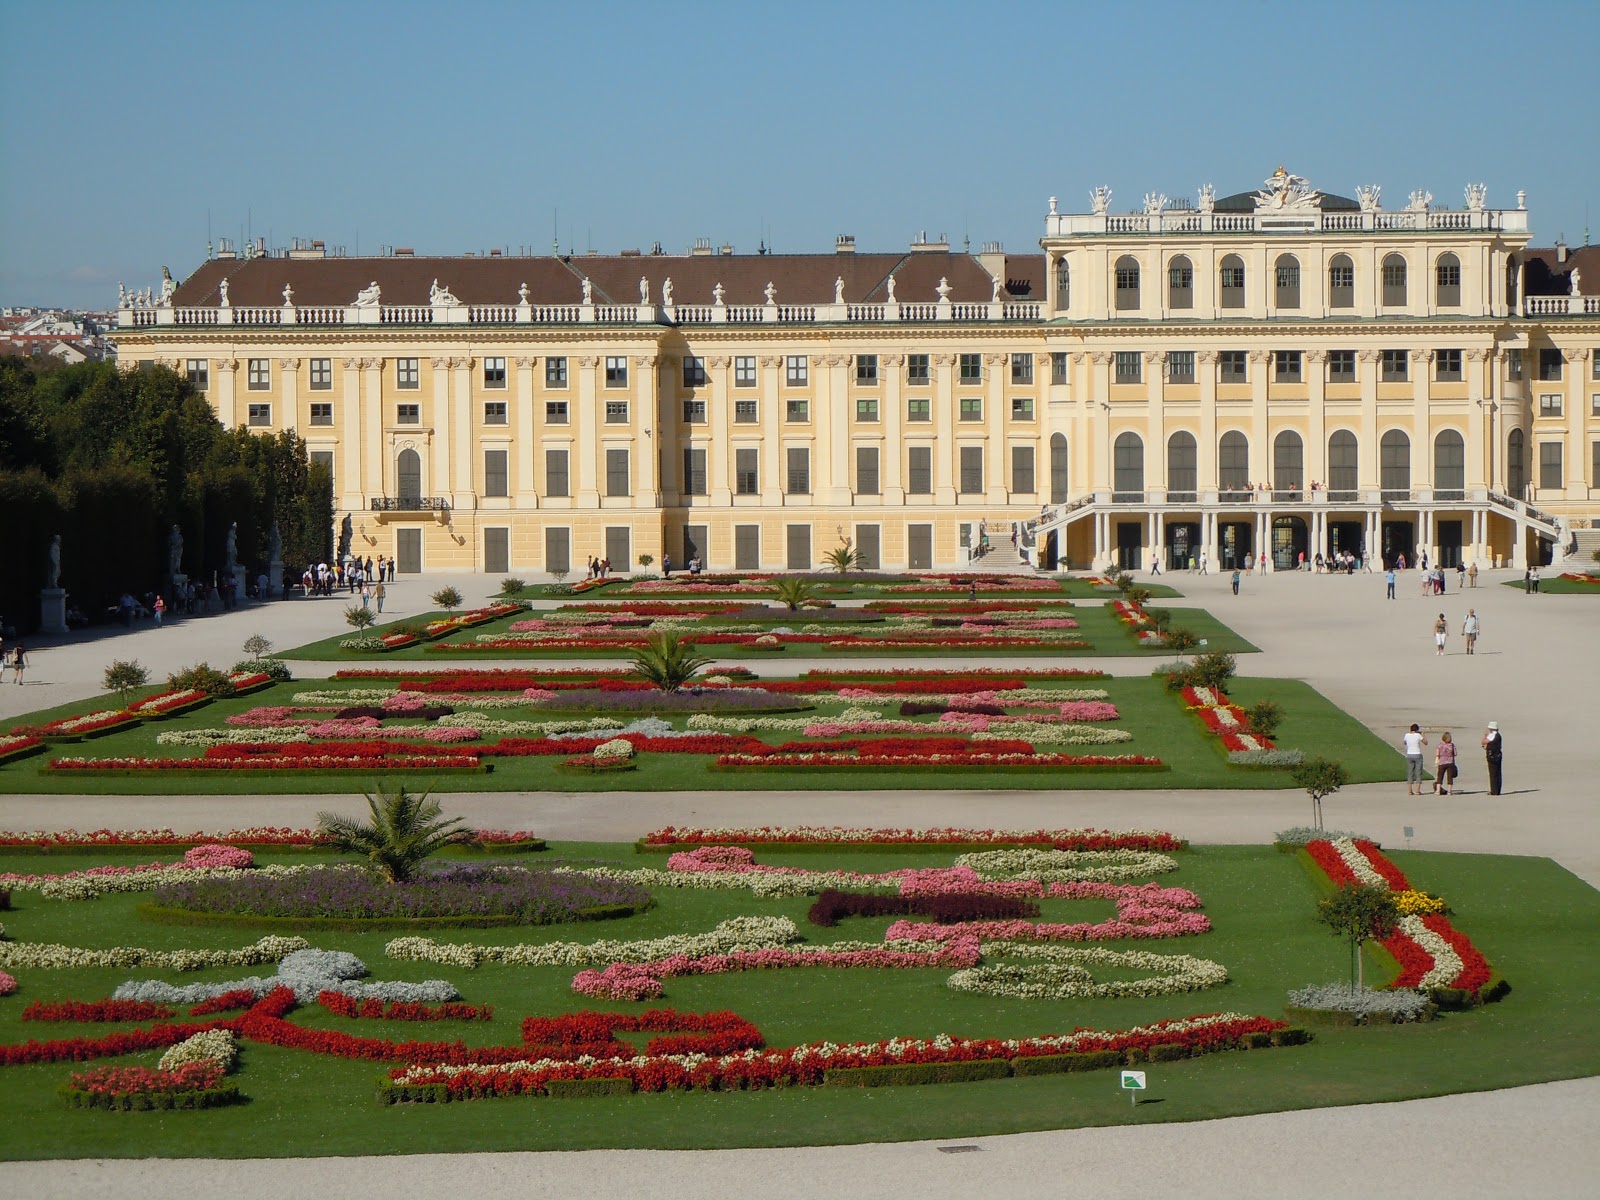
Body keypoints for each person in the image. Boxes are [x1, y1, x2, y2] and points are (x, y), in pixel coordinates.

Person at [1402, 723, 1429, 795]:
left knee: (1410, 772)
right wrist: (1423, 735)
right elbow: (1426, 742)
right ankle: (1417, 790)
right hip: (1417, 754)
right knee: (1418, 772)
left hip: (1409, 754)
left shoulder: (1406, 735)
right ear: (1417, 730)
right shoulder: (1418, 735)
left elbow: (1404, 743)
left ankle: (1410, 790)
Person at [1482, 722, 1504, 795]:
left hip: (1492, 756)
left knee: (1492, 774)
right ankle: (1497, 790)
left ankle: (1493, 790)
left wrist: (1485, 736)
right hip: (1498, 755)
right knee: (1498, 773)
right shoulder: (1498, 735)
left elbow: (1483, 742)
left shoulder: (1492, 735)